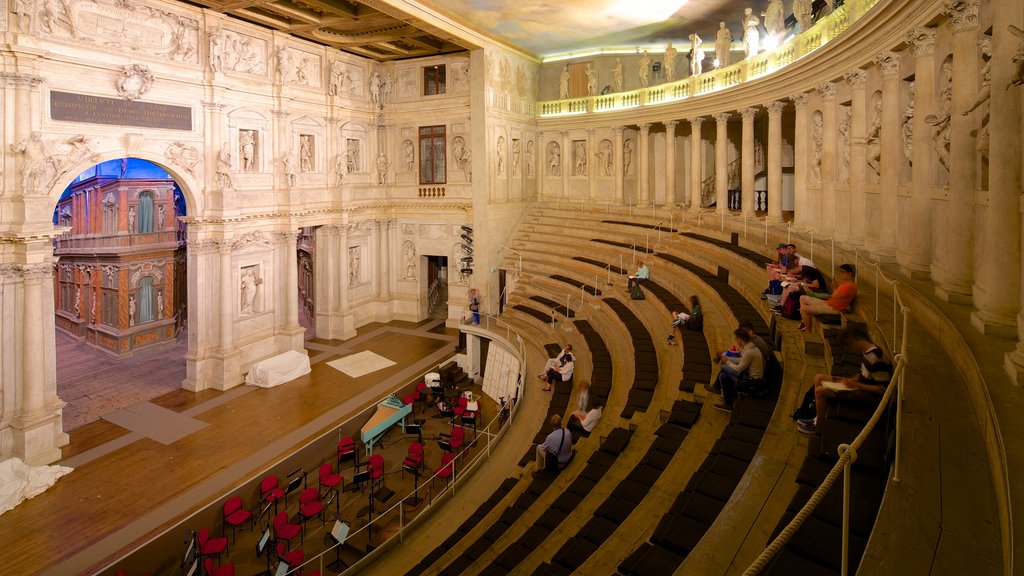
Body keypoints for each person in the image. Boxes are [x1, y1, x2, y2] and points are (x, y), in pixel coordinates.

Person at [797, 328, 892, 434]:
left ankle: (818, 425)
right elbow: (864, 373)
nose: (850, 349)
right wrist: (850, 380)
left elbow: (883, 389)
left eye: (848, 345)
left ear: (853, 341)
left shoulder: (876, 357)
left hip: (869, 395)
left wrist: (855, 384)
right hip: (858, 385)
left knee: (820, 391)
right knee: (819, 377)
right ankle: (814, 416)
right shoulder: (868, 351)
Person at [705, 328, 764, 412]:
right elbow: (741, 361)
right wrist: (725, 358)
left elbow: (738, 369)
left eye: (736, 338)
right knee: (723, 376)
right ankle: (728, 403)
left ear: (740, 339)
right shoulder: (750, 347)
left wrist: (727, 361)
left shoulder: (749, 352)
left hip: (751, 381)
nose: (735, 340)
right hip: (747, 375)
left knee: (724, 367)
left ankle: (716, 387)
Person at [797, 264, 857, 331]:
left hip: (835, 309)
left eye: (843, 272)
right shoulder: (845, 284)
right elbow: (835, 296)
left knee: (803, 309)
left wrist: (834, 287)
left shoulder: (850, 286)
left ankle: (808, 331)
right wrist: (813, 294)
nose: (841, 274)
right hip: (829, 303)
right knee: (802, 297)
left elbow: (833, 296)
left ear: (850, 273)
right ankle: (804, 321)